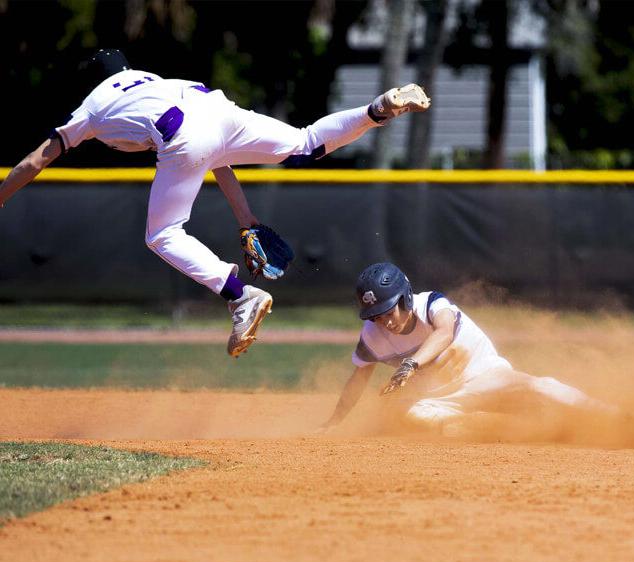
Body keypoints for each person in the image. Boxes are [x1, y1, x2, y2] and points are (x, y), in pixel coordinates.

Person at [0, 49, 431, 357]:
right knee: (306, 143)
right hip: (215, 109)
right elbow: (215, 158)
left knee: (162, 234)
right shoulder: (148, 80)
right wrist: (247, 219)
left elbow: (38, 159)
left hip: (183, 134)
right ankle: (378, 108)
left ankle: (240, 296)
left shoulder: (92, 107)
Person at [320, 262, 616, 435]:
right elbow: (359, 377)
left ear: (406, 298)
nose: (384, 321)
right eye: (375, 315)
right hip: (445, 401)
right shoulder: (372, 336)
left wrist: (410, 364)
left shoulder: (432, 304)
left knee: (542, 387)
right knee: (416, 418)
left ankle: (610, 416)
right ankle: (514, 428)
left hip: (488, 378)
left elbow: (445, 333)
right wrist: (334, 422)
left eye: (388, 311)